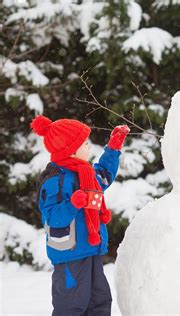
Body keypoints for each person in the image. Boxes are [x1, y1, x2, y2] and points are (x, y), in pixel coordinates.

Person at [31, 115, 129, 315]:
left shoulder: (86, 173)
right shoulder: (54, 180)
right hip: (70, 253)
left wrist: (113, 148)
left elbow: (104, 173)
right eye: (84, 143)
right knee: (71, 304)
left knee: (99, 301)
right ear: (71, 150)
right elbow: (51, 217)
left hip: (92, 249)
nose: (89, 146)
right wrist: (72, 204)